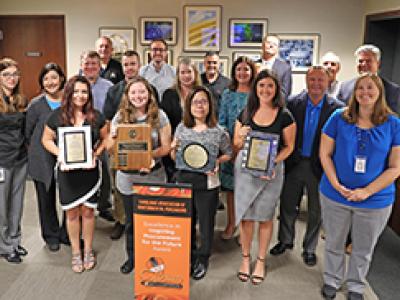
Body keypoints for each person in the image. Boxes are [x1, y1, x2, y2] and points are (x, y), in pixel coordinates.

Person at [319, 73, 400, 300]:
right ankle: (332, 280)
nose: (365, 92)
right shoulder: (338, 117)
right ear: (354, 92)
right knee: (334, 242)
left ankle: (356, 285)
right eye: (360, 88)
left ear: (380, 92)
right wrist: (335, 184)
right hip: (335, 195)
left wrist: (367, 191)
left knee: (363, 248)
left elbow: (395, 167)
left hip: (375, 200)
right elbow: (324, 154)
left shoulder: (393, 124)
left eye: (370, 88)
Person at [269, 66, 344, 266]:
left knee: (315, 210)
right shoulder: (293, 103)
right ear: (306, 81)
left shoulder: (337, 108)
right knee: (287, 205)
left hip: (319, 167)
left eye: (321, 80)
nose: (316, 84)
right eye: (312, 80)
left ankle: (309, 248)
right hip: (293, 163)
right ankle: (285, 240)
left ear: (328, 82)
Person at [234, 70, 296, 284]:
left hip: (271, 173)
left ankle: (260, 260)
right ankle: (245, 258)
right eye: (261, 86)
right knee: (246, 217)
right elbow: (236, 145)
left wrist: (273, 163)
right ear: (255, 88)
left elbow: (290, 147)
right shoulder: (246, 112)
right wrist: (240, 136)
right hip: (245, 173)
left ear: (276, 89)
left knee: (265, 217)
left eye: (270, 86)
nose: (265, 90)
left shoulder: (284, 115)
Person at [42, 75, 108, 273]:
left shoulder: (96, 116)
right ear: (69, 93)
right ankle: (76, 253)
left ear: (89, 94)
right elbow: (46, 140)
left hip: (89, 174)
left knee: (88, 212)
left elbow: (107, 139)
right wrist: (60, 154)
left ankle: (88, 250)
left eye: (84, 91)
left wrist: (96, 154)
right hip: (67, 174)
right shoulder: (57, 116)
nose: (80, 95)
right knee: (71, 214)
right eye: (76, 91)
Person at [109, 77, 171, 274]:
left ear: (149, 94)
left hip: (153, 175)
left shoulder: (160, 116)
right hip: (127, 178)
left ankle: (153, 258)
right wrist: (114, 137)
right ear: (127, 96)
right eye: (134, 92)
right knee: (131, 222)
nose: (138, 96)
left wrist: (146, 157)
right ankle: (132, 257)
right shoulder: (120, 117)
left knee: (153, 222)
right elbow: (110, 149)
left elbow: (166, 147)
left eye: (142, 92)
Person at [171, 86, 232, 280]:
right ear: (189, 105)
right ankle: (188, 254)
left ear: (210, 106)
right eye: (195, 102)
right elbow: (175, 157)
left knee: (206, 223)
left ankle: (203, 257)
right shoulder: (181, 127)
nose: (200, 106)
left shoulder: (219, 131)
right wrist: (172, 149)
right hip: (184, 180)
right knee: (186, 222)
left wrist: (217, 162)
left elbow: (229, 153)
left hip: (207, 183)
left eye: (204, 102)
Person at [103, 50, 159, 240]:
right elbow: (109, 121)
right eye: (126, 64)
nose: (129, 68)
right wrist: (113, 143)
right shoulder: (114, 90)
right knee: (121, 190)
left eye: (133, 64)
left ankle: (142, 227)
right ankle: (121, 221)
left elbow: (155, 117)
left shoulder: (150, 89)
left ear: (139, 65)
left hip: (146, 154)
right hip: (121, 151)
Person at [25, 62, 68, 251]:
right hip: (41, 156)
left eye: (54, 77)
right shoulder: (36, 104)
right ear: (42, 82)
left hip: (67, 155)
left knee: (69, 196)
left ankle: (67, 233)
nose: (51, 82)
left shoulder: (69, 100)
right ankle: (50, 235)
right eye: (46, 78)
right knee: (45, 197)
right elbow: (28, 132)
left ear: (61, 79)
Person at [218, 56, 257, 240]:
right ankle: (231, 223)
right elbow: (222, 121)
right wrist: (230, 148)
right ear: (234, 73)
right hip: (230, 149)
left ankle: (244, 228)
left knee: (247, 191)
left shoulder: (257, 94)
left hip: (252, 150)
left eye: (246, 69)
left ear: (252, 72)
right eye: (239, 69)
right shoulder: (227, 94)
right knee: (231, 190)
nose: (242, 73)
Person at [0, 58, 28, 264]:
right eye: (6, 74)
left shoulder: (19, 99)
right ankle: (5, 246)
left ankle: (14, 240)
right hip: (1, 160)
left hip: (19, 158)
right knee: (2, 205)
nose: (12, 78)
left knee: (17, 203)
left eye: (14, 74)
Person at [81, 50, 114, 222]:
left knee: (106, 173)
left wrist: (105, 138)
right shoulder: (74, 84)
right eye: (87, 63)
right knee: (82, 174)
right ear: (81, 65)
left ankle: (104, 205)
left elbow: (110, 114)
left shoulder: (108, 86)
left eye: (94, 63)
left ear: (99, 66)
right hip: (79, 137)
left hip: (102, 134)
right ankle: (83, 205)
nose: (90, 67)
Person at [160, 57, 201, 181]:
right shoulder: (169, 94)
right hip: (174, 146)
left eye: (189, 72)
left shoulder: (202, 93)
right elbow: (164, 122)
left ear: (195, 73)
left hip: (197, 146)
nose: (186, 76)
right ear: (177, 75)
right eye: (182, 72)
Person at [337, 44, 400, 114]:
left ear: (378, 63)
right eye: (360, 61)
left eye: (368, 61)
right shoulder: (344, 87)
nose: (364, 64)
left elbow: (392, 117)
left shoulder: (392, 90)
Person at [257, 35, 292, 99]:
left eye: (274, 44)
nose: (271, 46)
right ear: (262, 45)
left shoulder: (285, 68)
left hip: (275, 106)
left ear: (277, 49)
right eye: (268, 43)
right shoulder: (253, 65)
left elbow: (285, 93)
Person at [200, 51, 230, 117]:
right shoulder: (197, 80)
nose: (211, 65)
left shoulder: (227, 83)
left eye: (214, 63)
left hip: (219, 123)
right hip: (200, 121)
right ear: (204, 63)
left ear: (219, 64)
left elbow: (229, 106)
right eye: (209, 62)